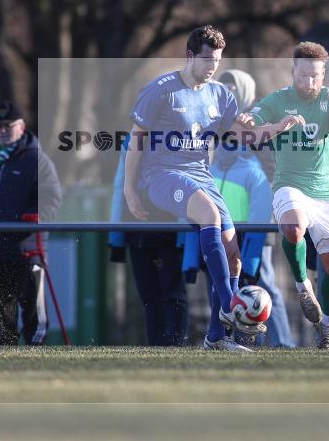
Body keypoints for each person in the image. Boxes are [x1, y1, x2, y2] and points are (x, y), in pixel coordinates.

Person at [124, 26, 297, 352]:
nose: (212, 66)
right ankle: (232, 304)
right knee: (209, 214)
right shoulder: (161, 90)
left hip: (200, 175)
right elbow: (136, 140)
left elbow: (243, 135)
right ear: (190, 56)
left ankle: (216, 338)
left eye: (216, 60)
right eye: (206, 60)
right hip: (162, 174)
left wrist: (276, 127)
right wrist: (130, 191)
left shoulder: (220, 94)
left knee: (233, 257)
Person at [247, 41, 329, 349]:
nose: (309, 82)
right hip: (289, 183)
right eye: (303, 75)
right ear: (293, 71)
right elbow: (251, 130)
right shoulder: (279, 100)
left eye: (315, 76)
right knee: (294, 227)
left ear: (323, 75)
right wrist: (262, 123)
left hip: (326, 192)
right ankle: (302, 287)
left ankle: (327, 328)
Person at [0, 100, 62, 345]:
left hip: (26, 249)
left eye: (8, 125)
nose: (3, 131)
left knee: (32, 311)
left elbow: (51, 198)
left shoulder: (36, 160)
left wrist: (34, 218)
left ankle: (36, 355)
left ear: (22, 126)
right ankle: (4, 357)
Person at [213, 69, 294, 348]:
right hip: (234, 217)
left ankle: (283, 341)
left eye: (232, 87)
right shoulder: (225, 120)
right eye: (224, 87)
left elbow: (270, 167)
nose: (228, 91)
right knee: (238, 285)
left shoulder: (259, 118)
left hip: (259, 215)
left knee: (265, 282)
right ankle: (247, 339)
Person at [109, 148, 189, 346]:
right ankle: (157, 345)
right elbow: (121, 186)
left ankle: (176, 345)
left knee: (173, 293)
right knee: (149, 295)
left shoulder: (175, 136)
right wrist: (116, 234)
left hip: (170, 232)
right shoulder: (131, 141)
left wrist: (184, 229)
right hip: (138, 233)